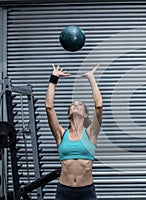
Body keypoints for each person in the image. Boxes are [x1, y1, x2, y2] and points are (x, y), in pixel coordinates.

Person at [45, 64, 102, 200]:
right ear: (68, 114)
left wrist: (91, 78)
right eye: (73, 104)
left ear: (85, 115)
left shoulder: (90, 134)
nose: (76, 105)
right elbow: (49, 107)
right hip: (64, 191)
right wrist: (54, 79)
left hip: (86, 192)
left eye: (80, 105)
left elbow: (99, 106)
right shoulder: (61, 134)